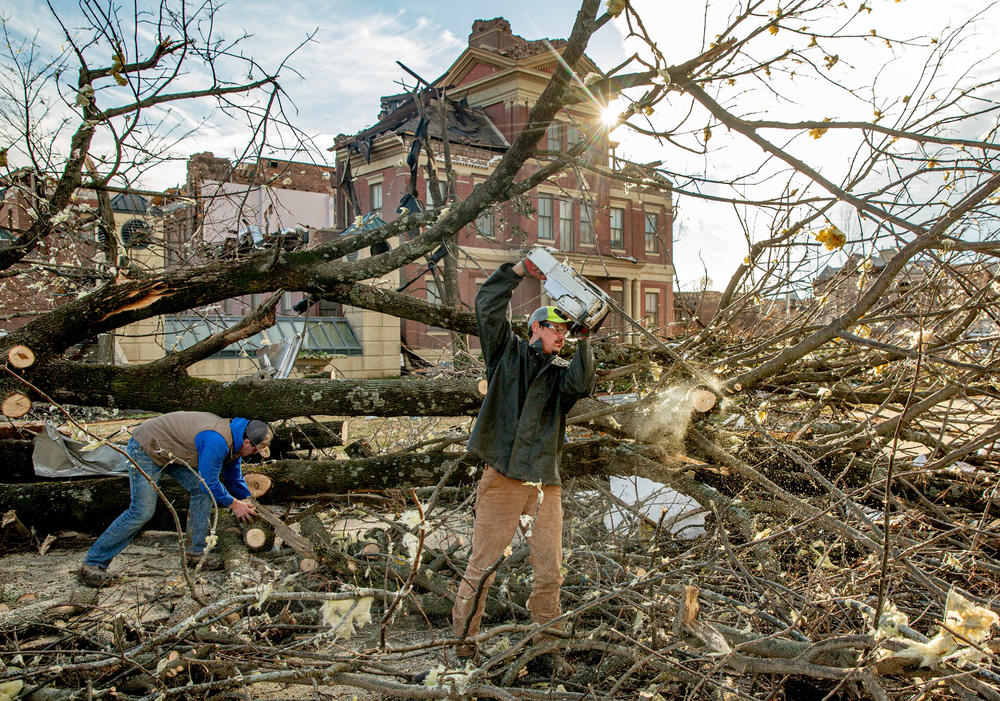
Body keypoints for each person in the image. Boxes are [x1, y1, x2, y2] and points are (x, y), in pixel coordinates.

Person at [451, 255, 596, 674]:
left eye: (567, 333)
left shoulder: (560, 374)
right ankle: (463, 646)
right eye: (557, 329)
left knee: (549, 572)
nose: (562, 337)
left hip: (545, 486)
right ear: (535, 327)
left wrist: (585, 337)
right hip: (502, 480)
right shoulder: (506, 355)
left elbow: (582, 383)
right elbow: (486, 306)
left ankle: (546, 649)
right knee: (483, 568)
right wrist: (517, 271)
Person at [78, 412, 273, 587]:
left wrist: (246, 500)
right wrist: (233, 504)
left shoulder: (236, 442)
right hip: (146, 447)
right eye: (256, 451)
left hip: (170, 450)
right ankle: (93, 563)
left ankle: (195, 554)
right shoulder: (217, 440)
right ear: (248, 443)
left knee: (200, 491)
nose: (254, 455)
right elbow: (209, 481)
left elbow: (233, 476)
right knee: (142, 511)